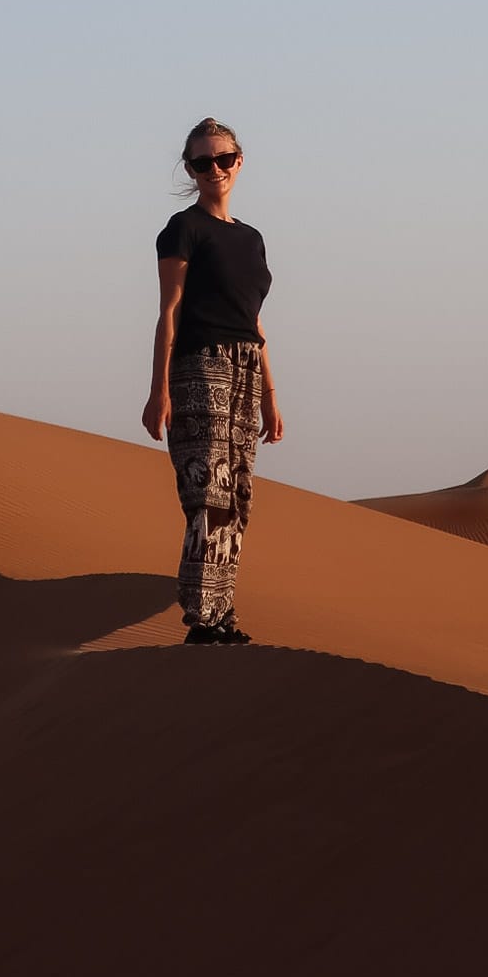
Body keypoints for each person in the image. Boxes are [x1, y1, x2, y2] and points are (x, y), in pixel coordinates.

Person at [142, 117, 284, 645]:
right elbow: (169, 312)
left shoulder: (251, 239)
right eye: (203, 163)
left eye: (223, 159)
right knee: (209, 490)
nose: (215, 170)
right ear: (190, 169)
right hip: (199, 366)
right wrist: (159, 390)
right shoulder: (183, 229)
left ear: (239, 162)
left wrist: (271, 395)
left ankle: (222, 613)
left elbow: (256, 321)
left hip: (246, 367)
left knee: (239, 494)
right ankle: (201, 616)